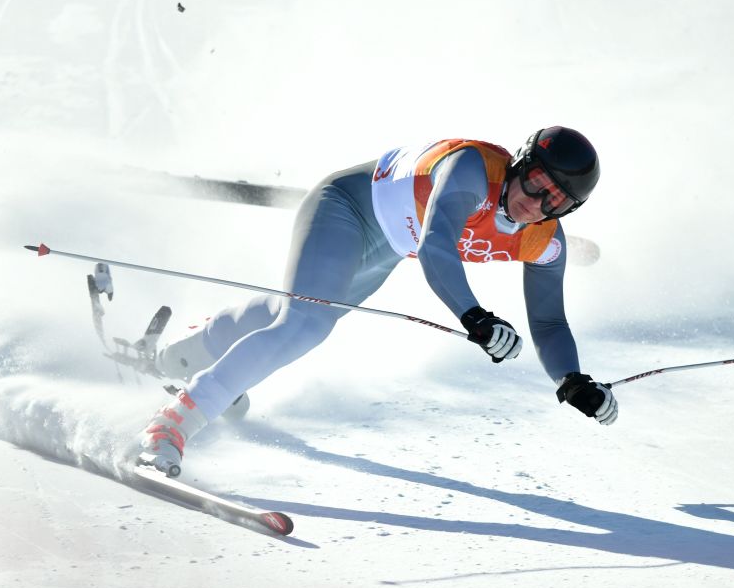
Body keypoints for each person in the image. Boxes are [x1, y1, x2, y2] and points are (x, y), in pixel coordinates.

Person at [138, 126, 618, 477]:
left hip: (388, 244)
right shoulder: (473, 169)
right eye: (535, 183)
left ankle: (181, 355)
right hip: (345, 206)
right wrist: (475, 317)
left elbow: (550, 325)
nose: (536, 204)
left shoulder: (543, 241)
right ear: (520, 164)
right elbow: (435, 246)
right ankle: (174, 422)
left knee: (291, 313)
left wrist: (574, 381)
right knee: (307, 322)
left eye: (555, 202)